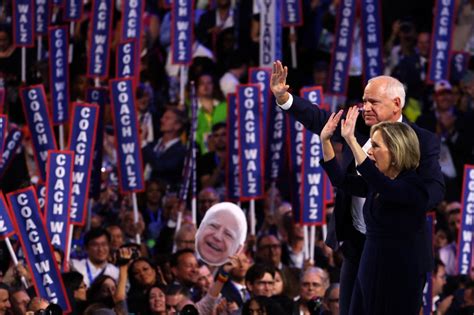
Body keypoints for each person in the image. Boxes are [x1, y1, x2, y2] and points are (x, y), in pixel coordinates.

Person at [270, 60, 444, 314]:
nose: (365, 107)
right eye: (364, 100)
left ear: (397, 104)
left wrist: (403, 207)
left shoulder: (422, 141)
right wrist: (285, 97)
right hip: (358, 245)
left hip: (399, 249)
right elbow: (320, 122)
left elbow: (433, 192)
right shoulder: (357, 127)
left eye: (373, 102)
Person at [320, 107, 429, 314]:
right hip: (369, 267)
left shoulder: (414, 187)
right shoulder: (375, 184)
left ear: (397, 150)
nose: (369, 151)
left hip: (399, 275)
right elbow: (340, 180)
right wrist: (325, 140)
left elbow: (383, 186)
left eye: (375, 146)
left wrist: (352, 140)